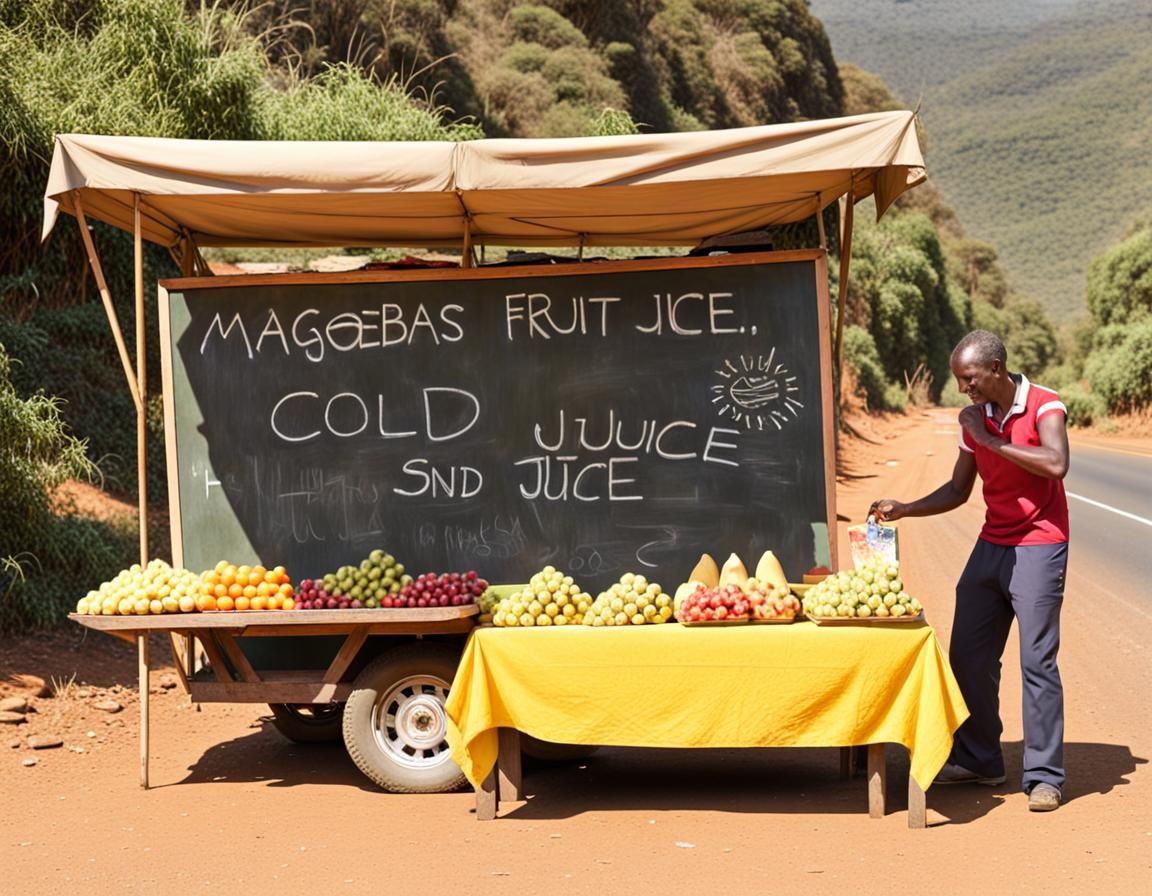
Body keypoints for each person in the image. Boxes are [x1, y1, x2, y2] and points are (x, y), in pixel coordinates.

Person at [870, 329, 1069, 812]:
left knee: (1037, 661)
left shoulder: (1044, 405)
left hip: (1039, 543)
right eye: (960, 380)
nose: (964, 388)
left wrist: (989, 440)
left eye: (970, 378)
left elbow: (1056, 462)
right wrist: (906, 508)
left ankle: (1044, 776)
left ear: (996, 368)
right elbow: (959, 490)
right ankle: (981, 759)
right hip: (993, 542)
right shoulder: (974, 420)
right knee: (969, 655)